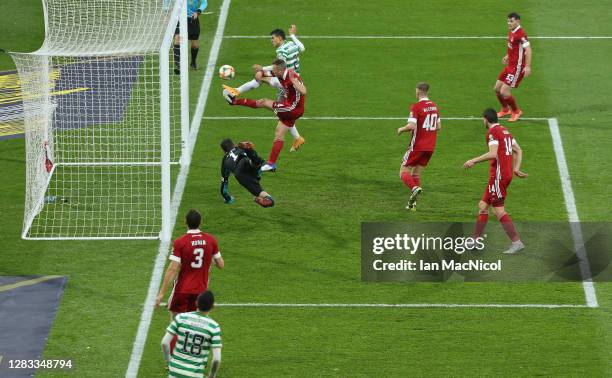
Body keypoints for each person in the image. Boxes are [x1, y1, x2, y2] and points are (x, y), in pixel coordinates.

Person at [223, 26, 306, 152]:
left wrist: (262, 68)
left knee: (261, 78)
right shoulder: (291, 44)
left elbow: (279, 66)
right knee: (284, 115)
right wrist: (293, 36)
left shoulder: (282, 50)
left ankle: (235, 91)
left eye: (272, 38)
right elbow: (302, 48)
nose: (271, 41)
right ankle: (298, 138)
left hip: (286, 82)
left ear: (279, 38)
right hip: (294, 80)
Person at [463, 108, 528, 254]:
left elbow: (493, 154)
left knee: (498, 210)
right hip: (502, 174)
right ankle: (475, 240)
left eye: (483, 119)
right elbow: (518, 150)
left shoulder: (492, 132)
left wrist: (473, 160)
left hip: (499, 176)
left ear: (486, 119)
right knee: (483, 205)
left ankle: (516, 242)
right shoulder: (505, 131)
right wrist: (516, 169)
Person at [224, 59, 307, 172]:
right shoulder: (280, 72)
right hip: (292, 107)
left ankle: (233, 101)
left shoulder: (292, 77)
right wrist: (261, 71)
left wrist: (295, 82)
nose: (272, 71)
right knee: (279, 133)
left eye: (274, 69)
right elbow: (266, 74)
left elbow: (304, 91)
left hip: (292, 109)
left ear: (279, 70)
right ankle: (271, 164)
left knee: (263, 102)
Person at [155, 209, 224, 316]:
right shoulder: (211, 240)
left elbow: (172, 269)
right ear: (201, 222)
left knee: (176, 327)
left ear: (185, 222)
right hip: (201, 292)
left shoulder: (180, 242)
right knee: (197, 327)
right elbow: (221, 264)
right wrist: (208, 258)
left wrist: (161, 294)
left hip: (182, 290)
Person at [397, 82, 441, 211]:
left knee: (403, 172)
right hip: (430, 147)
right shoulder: (434, 106)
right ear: (427, 92)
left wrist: (401, 129)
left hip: (417, 146)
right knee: (415, 174)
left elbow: (411, 126)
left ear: (417, 91)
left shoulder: (416, 107)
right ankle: (413, 204)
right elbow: (438, 127)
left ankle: (414, 188)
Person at [161, 291, 222, 378]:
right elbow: (216, 359)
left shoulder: (181, 318)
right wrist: (212, 375)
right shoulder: (214, 327)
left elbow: (164, 343)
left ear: (196, 303)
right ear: (212, 307)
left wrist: (169, 361)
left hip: (174, 372)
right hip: (195, 374)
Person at [494, 12, 532, 122]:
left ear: (518, 21)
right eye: (508, 21)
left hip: (517, 68)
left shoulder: (521, 34)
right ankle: (505, 109)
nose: (509, 23)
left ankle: (516, 111)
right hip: (510, 65)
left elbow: (528, 49)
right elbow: (515, 48)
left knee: (504, 91)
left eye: (511, 21)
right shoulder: (512, 31)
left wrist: (528, 66)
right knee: (497, 89)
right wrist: (507, 56)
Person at [220, 138, 275, 207]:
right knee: (253, 161)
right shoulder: (239, 148)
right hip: (245, 162)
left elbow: (224, 189)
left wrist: (228, 199)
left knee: (259, 192)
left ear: (224, 151)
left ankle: (269, 199)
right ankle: (262, 164)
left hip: (239, 173)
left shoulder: (224, 161)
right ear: (233, 144)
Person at [173, 0, 208, 74]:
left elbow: (204, 2)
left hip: (192, 19)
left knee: (194, 44)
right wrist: (166, 10)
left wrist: (198, 11)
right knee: (177, 39)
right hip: (179, 18)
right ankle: (178, 66)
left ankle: (193, 62)